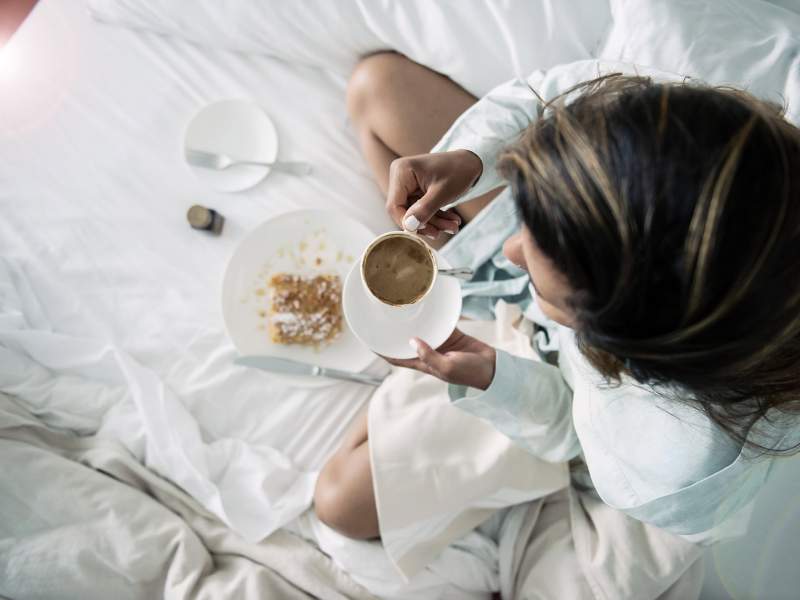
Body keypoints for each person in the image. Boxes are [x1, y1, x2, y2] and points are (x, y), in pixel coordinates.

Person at [313, 51, 800, 591]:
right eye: (530, 233)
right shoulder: (692, 138)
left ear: (613, 346)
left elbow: (572, 432)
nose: (508, 248)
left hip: (551, 376)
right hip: (587, 245)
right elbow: (566, 97)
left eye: (546, 280)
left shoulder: (667, 452)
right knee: (376, 87)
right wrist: (476, 160)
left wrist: (494, 379)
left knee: (337, 502)